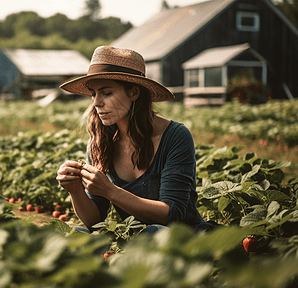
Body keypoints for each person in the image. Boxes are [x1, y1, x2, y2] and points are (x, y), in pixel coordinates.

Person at [56, 46, 216, 234]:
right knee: (73, 235)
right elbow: (95, 222)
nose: (96, 103)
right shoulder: (99, 142)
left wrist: (110, 191)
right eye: (93, 94)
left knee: (153, 233)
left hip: (179, 238)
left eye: (106, 93)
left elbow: (173, 214)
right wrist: (75, 190)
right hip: (131, 238)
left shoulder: (175, 137)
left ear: (133, 93)